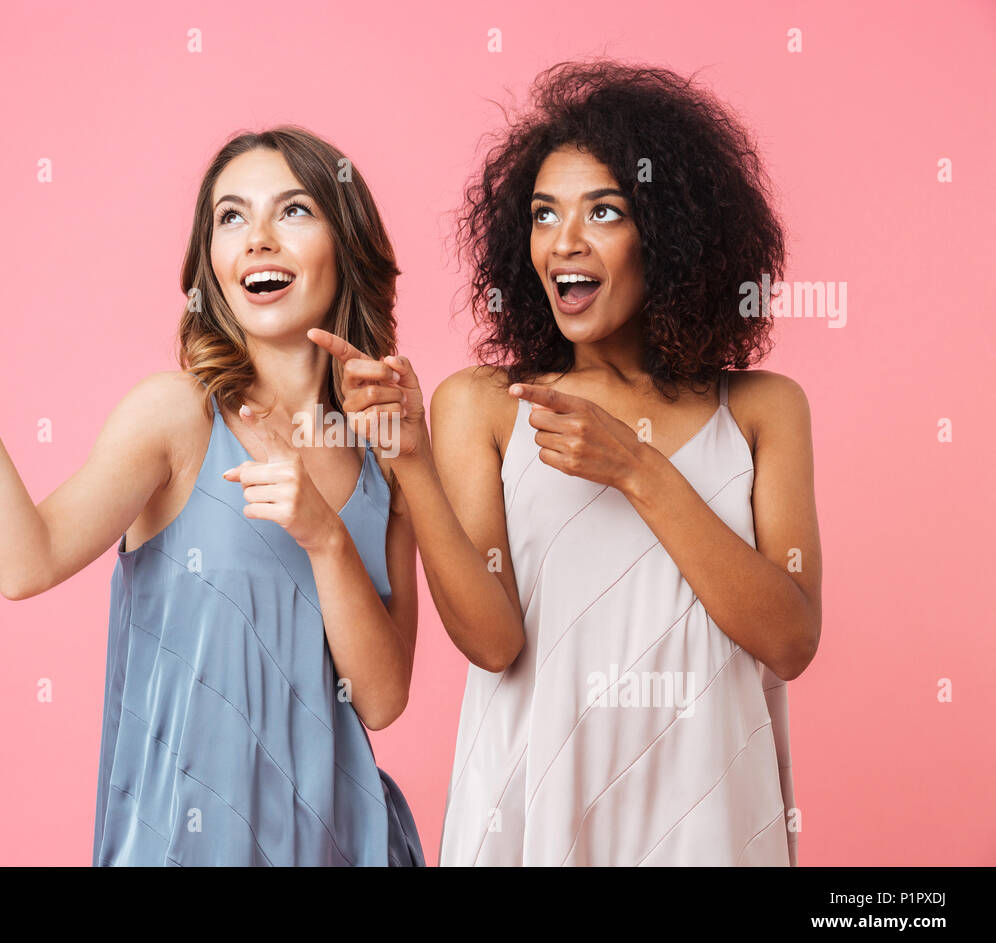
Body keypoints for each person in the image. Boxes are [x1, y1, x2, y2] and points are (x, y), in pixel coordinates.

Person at [0, 123, 425, 867]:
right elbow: (27, 561)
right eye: (231, 217)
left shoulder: (386, 448)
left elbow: (382, 700)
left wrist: (327, 537)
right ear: (209, 264)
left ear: (346, 244)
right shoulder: (178, 416)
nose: (257, 239)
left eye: (294, 211)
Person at [315, 59, 819, 865]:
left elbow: (789, 640)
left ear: (674, 235)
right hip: (535, 810)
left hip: (708, 816)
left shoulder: (763, 409)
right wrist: (409, 460)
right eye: (544, 214)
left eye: (604, 212)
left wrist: (640, 472)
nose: (564, 242)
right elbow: (492, 644)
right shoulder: (484, 404)